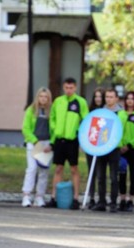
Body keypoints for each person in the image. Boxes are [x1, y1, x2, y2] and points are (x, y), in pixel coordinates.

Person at [45, 77, 89, 209]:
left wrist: (78, 133)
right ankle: (54, 197)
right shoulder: (58, 101)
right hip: (59, 140)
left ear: (75, 88)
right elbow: (52, 118)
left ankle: (75, 198)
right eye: (66, 88)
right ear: (63, 88)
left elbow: (86, 120)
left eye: (71, 88)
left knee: (74, 169)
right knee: (58, 168)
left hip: (72, 141)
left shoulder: (80, 102)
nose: (69, 90)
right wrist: (55, 129)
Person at [21, 87, 52, 208]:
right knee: (32, 169)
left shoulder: (51, 111)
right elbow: (26, 128)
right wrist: (35, 141)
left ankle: (39, 196)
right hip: (33, 143)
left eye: (46, 97)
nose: (43, 99)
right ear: (37, 97)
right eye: (41, 96)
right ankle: (26, 195)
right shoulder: (31, 110)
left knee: (44, 171)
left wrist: (51, 143)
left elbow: (54, 128)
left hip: (46, 144)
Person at [93, 88, 122, 212]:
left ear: (116, 98)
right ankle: (101, 201)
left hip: (114, 148)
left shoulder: (121, 113)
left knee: (113, 176)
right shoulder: (100, 112)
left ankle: (114, 202)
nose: (109, 99)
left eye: (111, 97)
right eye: (107, 97)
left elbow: (122, 130)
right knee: (101, 176)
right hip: (102, 147)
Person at [86, 87, 105, 208]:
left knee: (100, 173)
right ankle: (91, 197)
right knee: (91, 172)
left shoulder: (106, 111)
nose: (98, 99)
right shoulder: (89, 111)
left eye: (100, 96)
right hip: (91, 145)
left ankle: (101, 198)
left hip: (102, 146)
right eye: (96, 96)